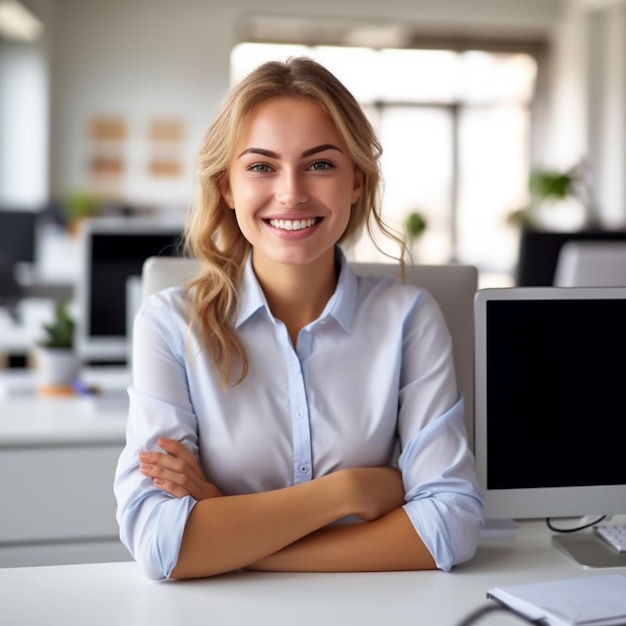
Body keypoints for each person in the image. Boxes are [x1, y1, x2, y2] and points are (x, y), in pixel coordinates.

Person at [113, 56, 484, 581]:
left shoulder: (409, 318)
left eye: (320, 164)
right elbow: (157, 542)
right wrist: (349, 491)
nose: (291, 193)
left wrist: (228, 532)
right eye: (261, 166)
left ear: (356, 181)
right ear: (227, 187)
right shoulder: (171, 324)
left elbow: (451, 524)